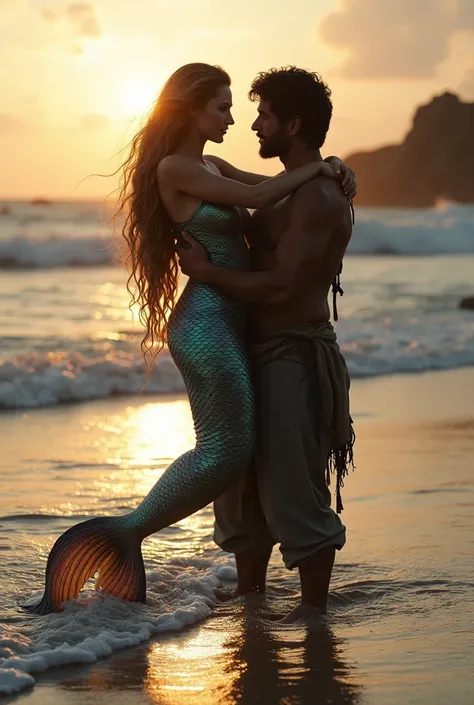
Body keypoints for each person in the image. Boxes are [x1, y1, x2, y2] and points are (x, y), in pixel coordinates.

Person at [25, 63, 355, 615]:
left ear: (292, 124)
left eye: (255, 113)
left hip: (235, 324)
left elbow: (266, 189)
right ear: (191, 109)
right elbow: (274, 190)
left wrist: (332, 168)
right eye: (224, 107)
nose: (241, 120)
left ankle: (242, 585)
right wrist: (327, 168)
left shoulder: (210, 164)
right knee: (227, 451)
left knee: (244, 460)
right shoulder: (179, 168)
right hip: (207, 325)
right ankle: (127, 532)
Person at [178, 67, 355, 622]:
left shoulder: (319, 199)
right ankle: (251, 593)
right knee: (240, 482)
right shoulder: (286, 189)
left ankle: (313, 608)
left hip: (291, 353)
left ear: (294, 123)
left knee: (290, 487)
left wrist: (207, 272)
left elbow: (282, 286)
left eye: (265, 116)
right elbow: (238, 183)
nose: (253, 124)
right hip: (245, 352)